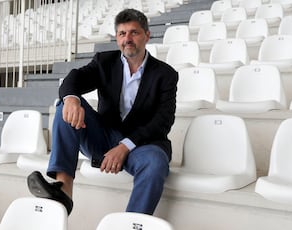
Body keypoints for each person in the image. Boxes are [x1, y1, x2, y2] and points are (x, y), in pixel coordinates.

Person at [27, 8, 178, 216]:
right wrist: (71, 98)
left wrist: (125, 146)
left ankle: (131, 224)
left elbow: (163, 121)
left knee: (155, 164)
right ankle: (63, 190)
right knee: (66, 104)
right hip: (104, 138)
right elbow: (74, 79)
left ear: (147, 35)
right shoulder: (104, 62)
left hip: (142, 145)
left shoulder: (165, 74)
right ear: (117, 38)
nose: (128, 39)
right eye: (122, 34)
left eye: (134, 32)